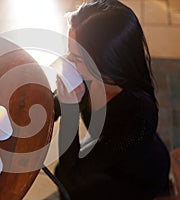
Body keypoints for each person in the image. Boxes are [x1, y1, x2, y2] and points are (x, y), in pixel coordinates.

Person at [53, 0, 171, 199]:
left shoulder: (138, 118)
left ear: (108, 63)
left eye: (77, 57)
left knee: (73, 189)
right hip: (108, 151)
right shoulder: (91, 73)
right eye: (69, 51)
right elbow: (54, 102)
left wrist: (70, 110)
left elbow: (69, 175)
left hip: (134, 177)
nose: (68, 61)